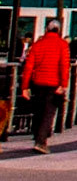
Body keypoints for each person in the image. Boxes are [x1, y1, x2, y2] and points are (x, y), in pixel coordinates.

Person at [20, 17, 71, 154]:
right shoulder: (62, 45)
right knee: (49, 113)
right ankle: (41, 141)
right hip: (53, 83)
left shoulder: (38, 44)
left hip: (38, 82)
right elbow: (64, 66)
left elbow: (29, 67)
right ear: (59, 31)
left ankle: (37, 135)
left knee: (38, 111)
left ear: (46, 29)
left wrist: (25, 87)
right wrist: (63, 84)